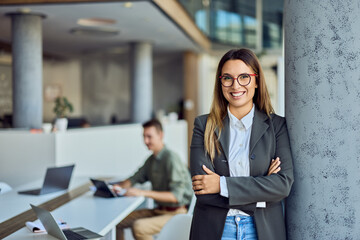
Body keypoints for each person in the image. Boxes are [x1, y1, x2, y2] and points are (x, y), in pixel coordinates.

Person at [189, 48, 294, 240]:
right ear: (220, 83)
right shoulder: (203, 126)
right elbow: (203, 190)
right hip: (215, 231)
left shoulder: (277, 126)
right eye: (228, 78)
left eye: (244, 77)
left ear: (256, 81)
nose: (235, 85)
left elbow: (282, 185)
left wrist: (221, 184)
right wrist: (262, 194)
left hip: (263, 230)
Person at [114, 119, 193, 240]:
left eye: (149, 137)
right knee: (118, 221)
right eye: (144, 137)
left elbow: (175, 196)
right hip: (159, 210)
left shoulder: (171, 158)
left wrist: (142, 193)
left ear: (161, 135)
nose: (146, 141)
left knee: (139, 227)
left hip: (176, 213)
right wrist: (119, 186)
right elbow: (135, 178)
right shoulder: (151, 160)